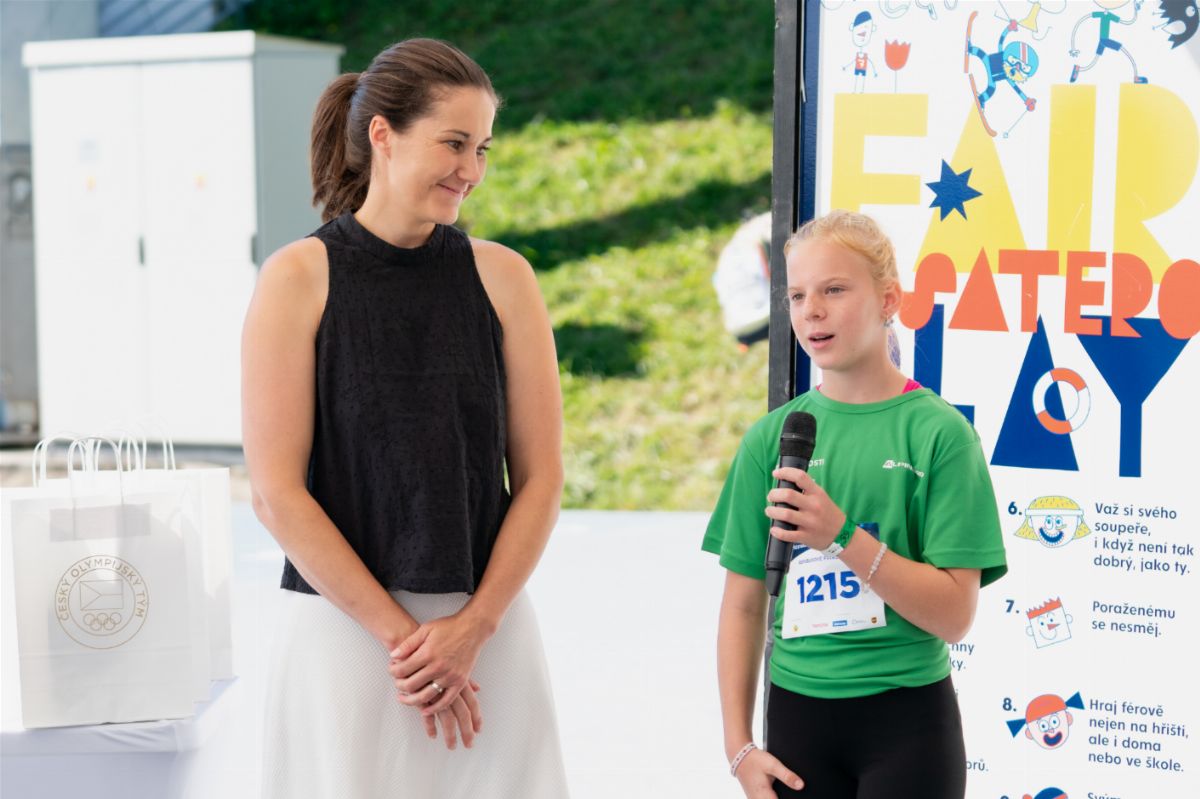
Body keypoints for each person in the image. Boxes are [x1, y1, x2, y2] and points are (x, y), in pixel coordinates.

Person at [241, 38, 568, 798]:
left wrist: (474, 628)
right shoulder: (296, 278)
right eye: (453, 143)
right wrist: (413, 647)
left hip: (488, 635)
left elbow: (542, 477)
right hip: (347, 635)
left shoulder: (505, 277)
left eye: (482, 148)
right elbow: (275, 493)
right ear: (383, 135)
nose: (471, 169)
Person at [702, 210, 1007, 799]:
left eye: (834, 290)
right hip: (796, 722)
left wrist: (842, 536)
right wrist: (738, 747)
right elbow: (742, 605)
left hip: (908, 723)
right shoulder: (770, 439)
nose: (811, 311)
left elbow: (954, 616)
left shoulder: (940, 435)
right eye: (797, 295)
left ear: (889, 299)